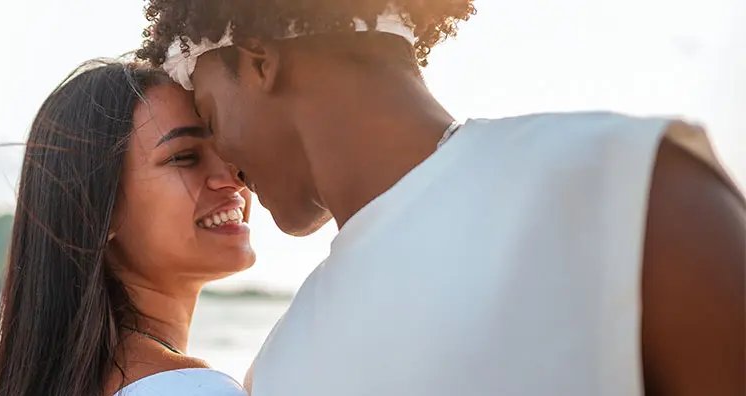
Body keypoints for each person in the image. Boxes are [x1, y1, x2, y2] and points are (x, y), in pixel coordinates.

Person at [137, 1, 746, 395]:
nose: (230, 171)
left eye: (212, 117)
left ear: (259, 63)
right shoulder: (274, 367)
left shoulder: (622, 188)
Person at [0, 61, 253, 396]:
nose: (234, 178)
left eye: (228, 148)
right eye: (184, 157)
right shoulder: (189, 388)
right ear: (99, 210)